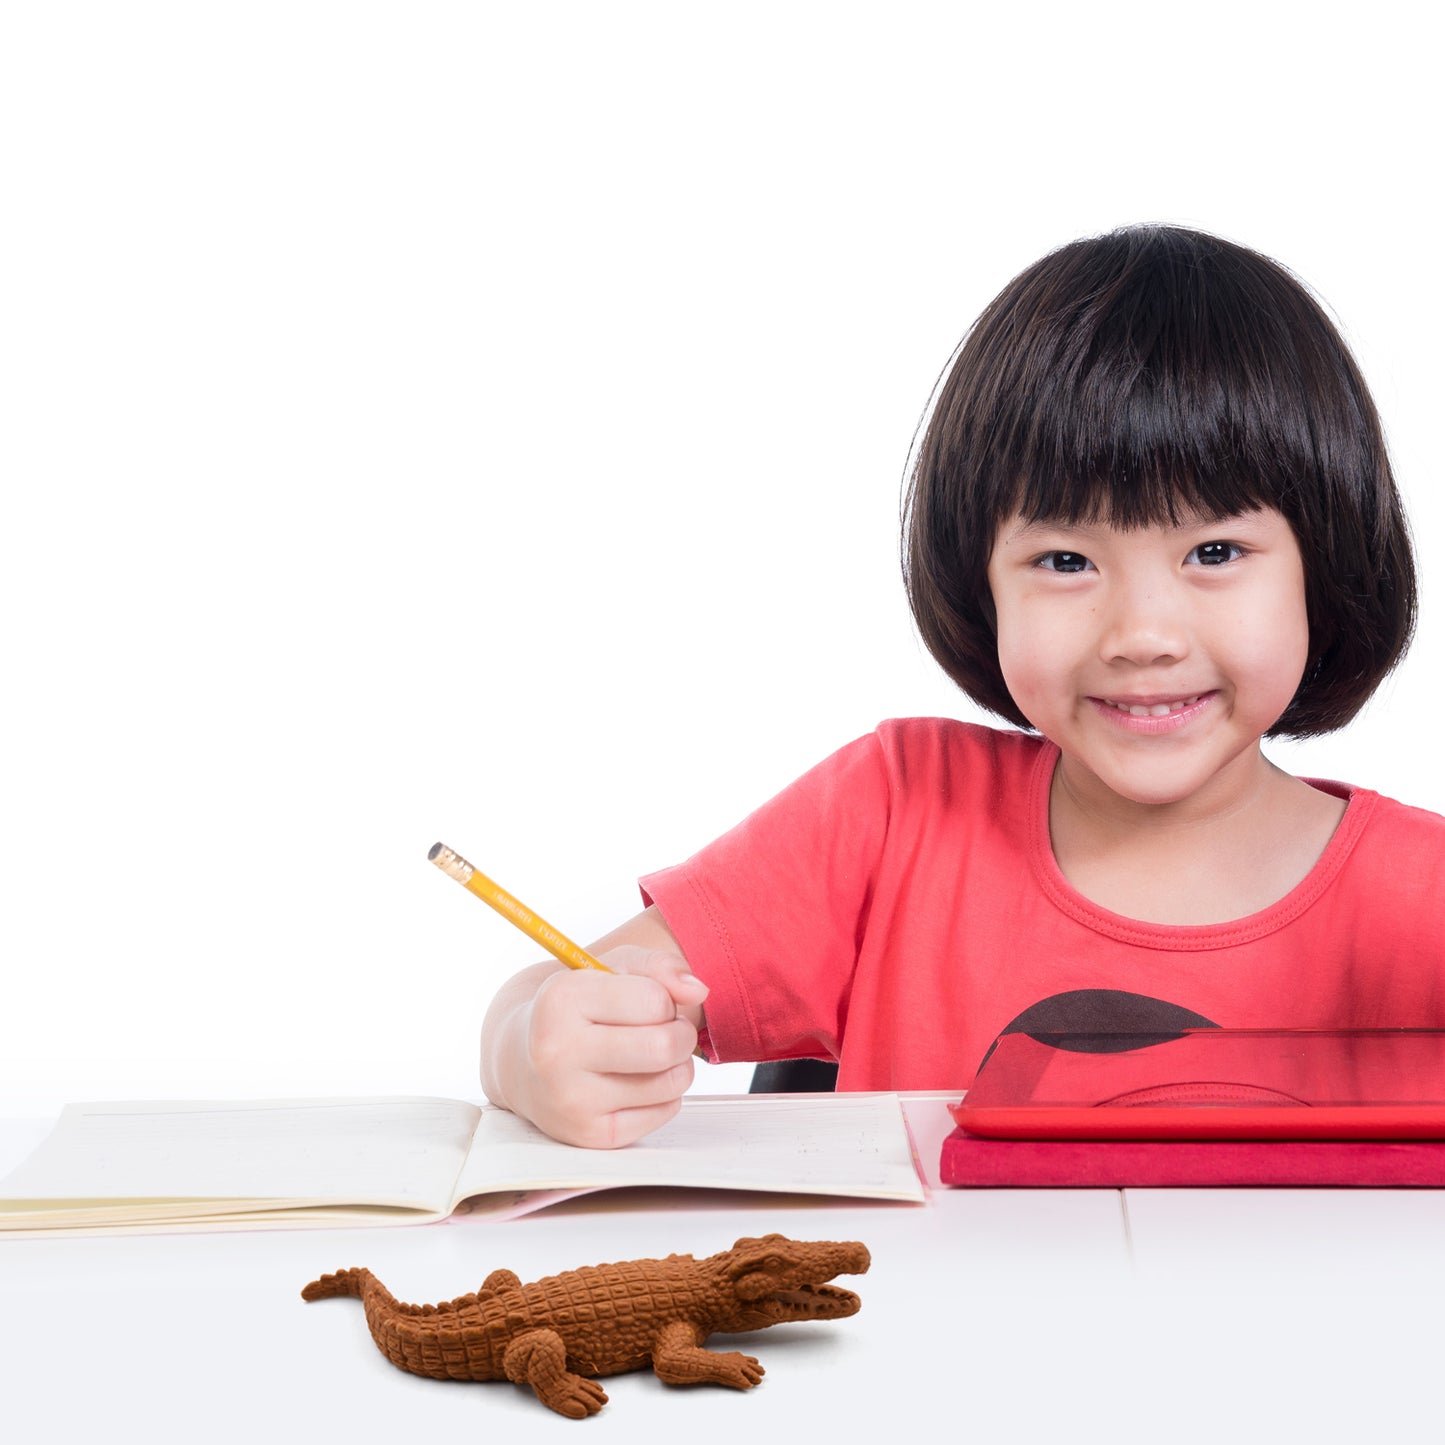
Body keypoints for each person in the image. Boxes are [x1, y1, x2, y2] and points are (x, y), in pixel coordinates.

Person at [481, 224, 1442, 1148]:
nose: (1142, 635)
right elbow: (544, 996)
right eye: (1065, 559)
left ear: (1324, 560)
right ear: (976, 578)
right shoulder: (893, 813)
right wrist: (535, 1047)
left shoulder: (1423, 894)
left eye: (1215, 551)